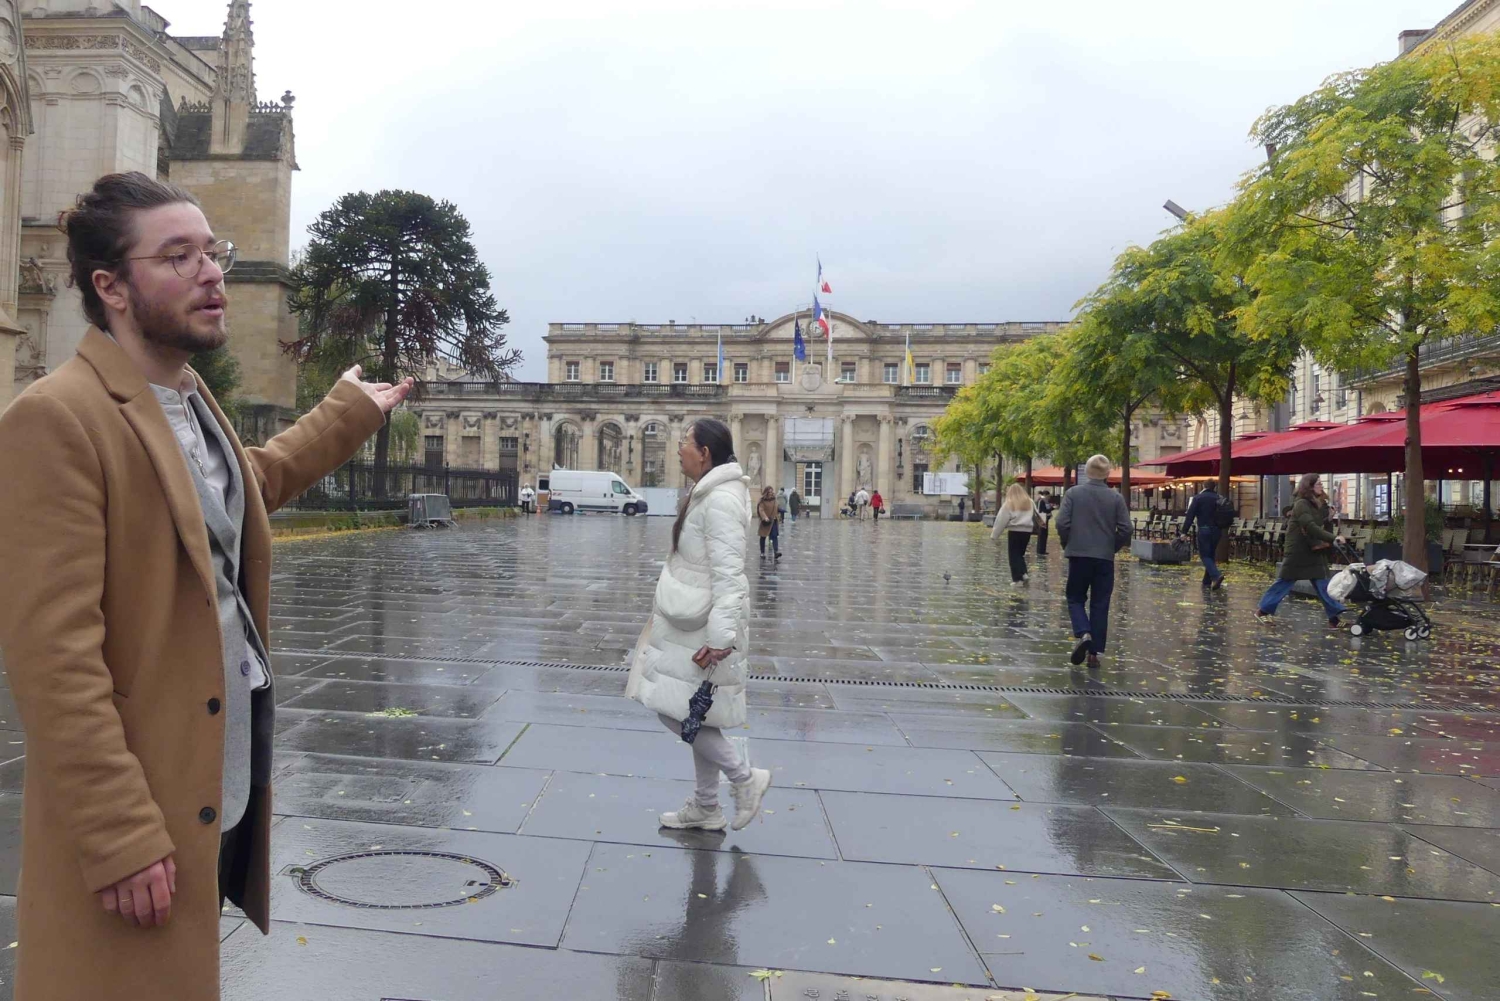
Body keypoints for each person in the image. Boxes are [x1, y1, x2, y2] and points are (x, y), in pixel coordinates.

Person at [0, 172, 411, 1000]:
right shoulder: (55, 417)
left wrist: (344, 416)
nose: (212, 271)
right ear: (111, 287)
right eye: (178, 256)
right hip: (138, 800)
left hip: (207, 783)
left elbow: (229, 497)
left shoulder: (185, 398)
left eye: (211, 251)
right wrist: (118, 832)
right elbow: (54, 659)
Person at [626, 417, 772, 832]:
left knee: (670, 707)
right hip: (689, 617)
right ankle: (707, 807)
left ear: (705, 453)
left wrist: (721, 638)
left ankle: (745, 778)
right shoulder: (708, 493)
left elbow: (729, 575)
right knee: (697, 713)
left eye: (685, 443)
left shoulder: (720, 500)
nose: (679, 450)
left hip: (703, 625)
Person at [1056, 454, 1132, 670]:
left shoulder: (1073, 494)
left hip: (1079, 555)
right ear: (1107, 474)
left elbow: (1061, 523)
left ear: (1087, 472)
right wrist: (1112, 546)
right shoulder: (1116, 498)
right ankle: (1094, 654)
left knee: (1075, 597)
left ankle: (1083, 632)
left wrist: (1068, 543)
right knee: (1100, 603)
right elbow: (1126, 528)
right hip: (1104, 558)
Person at [1255, 473, 1348, 628]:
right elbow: (1310, 527)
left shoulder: (1316, 504)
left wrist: (1329, 519)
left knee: (1323, 582)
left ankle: (1334, 618)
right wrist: (1333, 538)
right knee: (1285, 581)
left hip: (1313, 549)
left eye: (1321, 483)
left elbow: (1318, 525)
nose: (1321, 486)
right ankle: (1263, 611)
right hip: (1299, 551)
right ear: (1309, 486)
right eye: (1318, 484)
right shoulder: (1301, 504)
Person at [1180, 485, 1226, 589]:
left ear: (1203, 486)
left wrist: (1184, 532)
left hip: (1204, 529)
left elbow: (1190, 516)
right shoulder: (1219, 498)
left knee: (1204, 555)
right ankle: (1206, 581)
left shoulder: (1198, 498)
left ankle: (1216, 576)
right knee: (1211, 555)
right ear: (1214, 487)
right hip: (1217, 530)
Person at [990, 482, 1036, 583]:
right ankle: (1024, 573)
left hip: (1015, 531)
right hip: (1027, 531)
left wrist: (995, 535)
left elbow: (1001, 520)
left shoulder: (1009, 503)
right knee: (1020, 554)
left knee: (1013, 555)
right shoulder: (1030, 502)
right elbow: (1036, 515)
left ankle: (1017, 579)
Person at [757, 485, 782, 560]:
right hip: (766, 522)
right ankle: (762, 552)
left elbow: (777, 507)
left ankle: (776, 552)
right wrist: (764, 517)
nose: (771, 493)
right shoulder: (762, 501)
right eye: (769, 492)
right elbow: (761, 510)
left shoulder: (775, 500)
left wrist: (780, 510)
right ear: (766, 492)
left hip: (773, 521)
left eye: (772, 491)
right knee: (763, 537)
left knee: (774, 536)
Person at [1033, 491, 1053, 556]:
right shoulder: (1042, 501)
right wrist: (1051, 509)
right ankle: (1040, 550)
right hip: (1042, 519)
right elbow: (1043, 510)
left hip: (1044, 519)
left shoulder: (1044, 501)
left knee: (1044, 535)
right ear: (1046, 495)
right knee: (1042, 535)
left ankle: (1042, 550)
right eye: (1048, 496)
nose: (1049, 498)